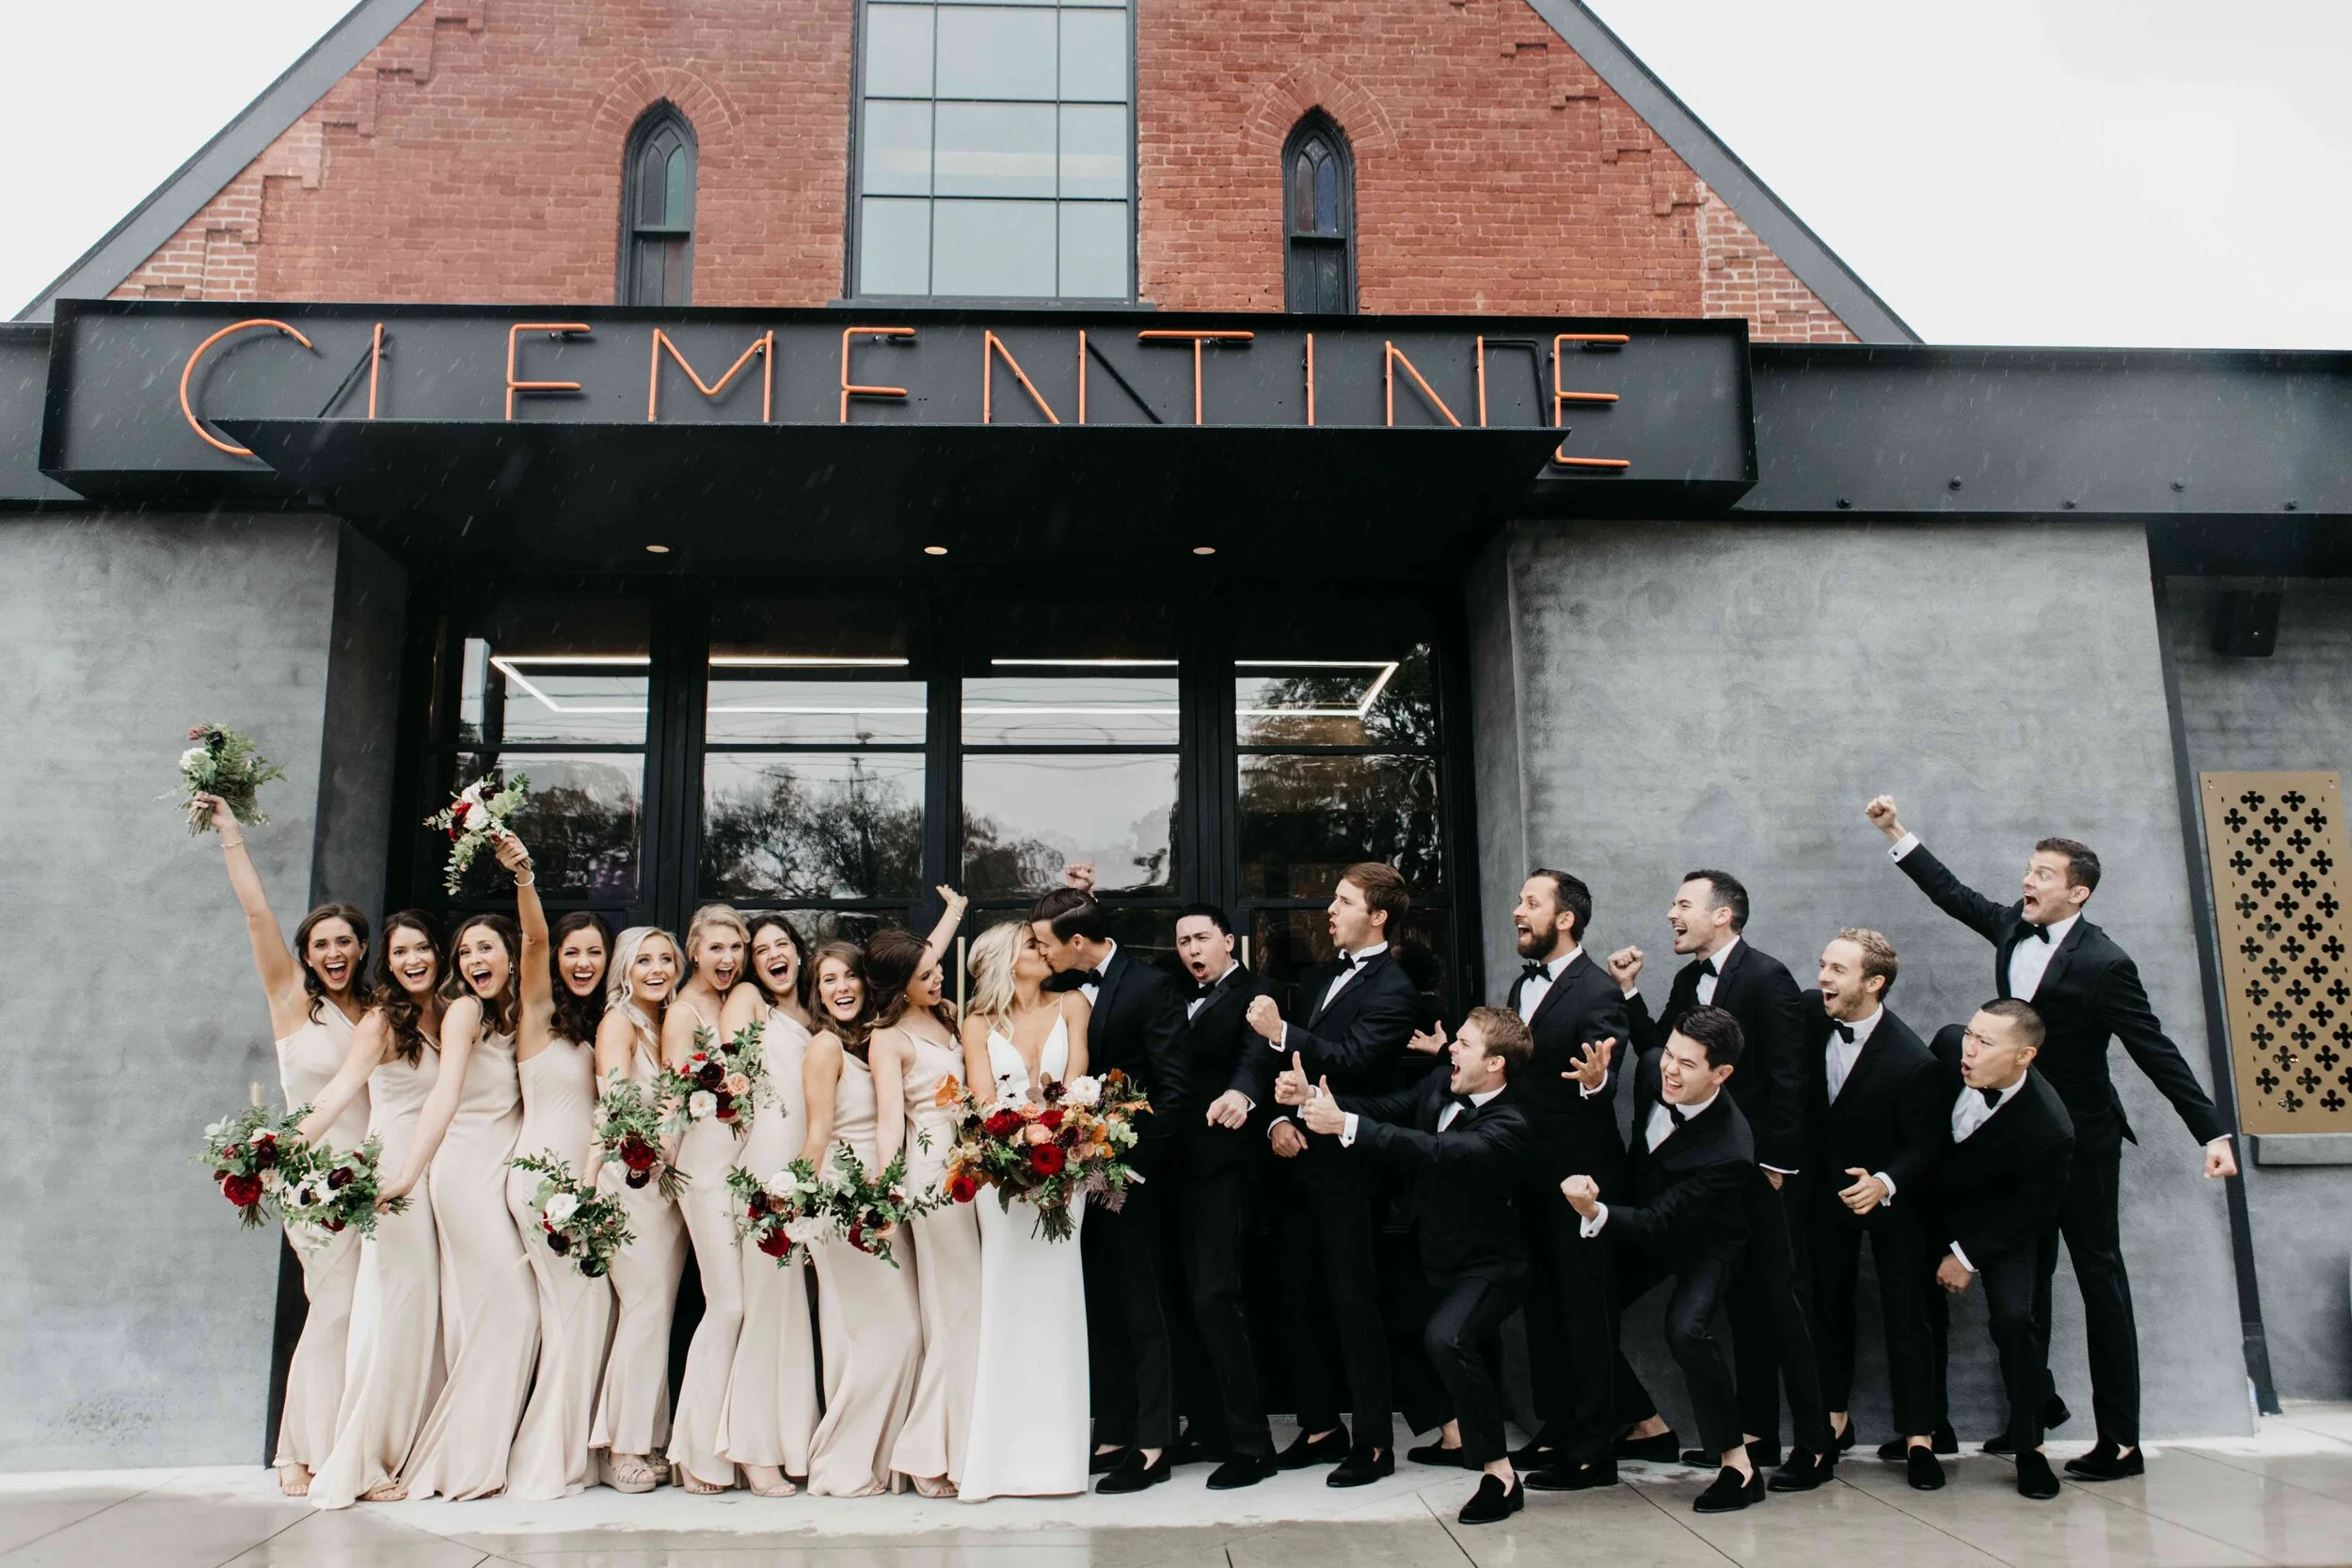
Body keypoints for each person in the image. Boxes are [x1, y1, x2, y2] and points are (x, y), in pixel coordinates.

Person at [1867, 795, 2238, 1478]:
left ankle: (2121, 1441)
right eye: (2028, 869)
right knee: (2024, 1279)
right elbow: (1952, 893)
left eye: (2043, 872)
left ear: (2078, 891)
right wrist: (1896, 831)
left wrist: (2211, 1131)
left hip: (2085, 1143)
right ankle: (2027, 1419)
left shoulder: (2105, 963)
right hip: (2019, 1138)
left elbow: (2153, 1048)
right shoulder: (2013, 927)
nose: (2027, 881)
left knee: (2100, 1278)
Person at [1611, 871, 1830, 1483]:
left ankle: (1814, 1447)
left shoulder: (1768, 977)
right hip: (1701, 1182)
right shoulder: (1687, 979)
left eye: (1683, 903)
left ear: (1723, 914)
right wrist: (1628, 993)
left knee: (1782, 1310)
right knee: (1738, 1311)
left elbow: (1791, 1079)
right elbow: (1661, 1054)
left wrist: (1776, 1168)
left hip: (1761, 1181)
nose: (1671, 913)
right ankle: (1748, 1437)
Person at [1293, 1006, 1544, 1525]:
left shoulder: (1512, 1124)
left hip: (1491, 1266)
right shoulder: (1438, 1084)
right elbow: (1390, 1107)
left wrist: (1347, 1126)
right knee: (1379, 1316)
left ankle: (1500, 1475)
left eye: (1466, 1044)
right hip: (1432, 1253)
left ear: (1495, 1064)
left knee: (1447, 1338)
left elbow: (1434, 1150)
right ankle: (1449, 1432)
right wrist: (1319, 1101)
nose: (1451, 1047)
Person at [192, 791, 375, 1497]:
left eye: (343, 941)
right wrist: (232, 837)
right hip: (314, 1179)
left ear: (361, 948)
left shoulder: (372, 1009)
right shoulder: (294, 1001)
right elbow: (257, 915)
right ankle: (301, 1450)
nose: (332, 951)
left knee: (362, 1311)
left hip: (373, 1179)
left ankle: (319, 1442)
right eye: (320, 942)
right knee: (331, 1306)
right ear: (305, 954)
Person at [1444, 869, 1629, 1490]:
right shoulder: (1517, 989)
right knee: (1544, 1310)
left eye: (1531, 902)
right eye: (1518, 899)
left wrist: (1598, 1078)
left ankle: (1595, 1448)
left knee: (1586, 1314)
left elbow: (1605, 1070)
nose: (1517, 910)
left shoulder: (1597, 990)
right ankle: (1557, 1426)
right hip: (1522, 1179)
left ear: (1566, 918)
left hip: (1578, 1185)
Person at [1237, 863, 1420, 1486]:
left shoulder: (1396, 989)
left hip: (1351, 1171)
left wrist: (1280, 1031)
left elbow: (1356, 1059)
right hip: (1298, 1165)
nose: (1330, 911)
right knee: (1290, 1293)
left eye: (1342, 901)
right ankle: (1319, 1427)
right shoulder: (1321, 978)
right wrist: (1280, 1114)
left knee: (1353, 1301)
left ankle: (1374, 1443)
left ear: (1379, 915)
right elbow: (1305, 1068)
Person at [1561, 1006, 1762, 1514]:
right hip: (1648, 1218)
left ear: (1722, 1074)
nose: (1670, 1069)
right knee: (1584, 1300)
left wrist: (1595, 1210)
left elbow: (1657, 1223)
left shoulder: (1730, 1150)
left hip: (1708, 1240)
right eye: (1671, 1054)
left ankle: (1738, 1465)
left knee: (1686, 1330)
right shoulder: (1655, 1068)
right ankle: (1639, 1428)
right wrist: (1598, 1082)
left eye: (1688, 1064)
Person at [1027, 886, 1191, 1494]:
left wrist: (1131, 1167)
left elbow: (1175, 1088)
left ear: (1076, 941)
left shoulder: (1150, 986)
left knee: (1144, 1306)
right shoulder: (1053, 990)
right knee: (1103, 1304)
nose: (1037, 953)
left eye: (1044, 943)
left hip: (1133, 1176)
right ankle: (1115, 1429)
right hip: (1074, 1181)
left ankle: (1154, 1444)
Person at [304, 913, 445, 1509]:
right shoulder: (381, 1022)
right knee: (388, 1311)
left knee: (425, 1316)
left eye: (421, 949)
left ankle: (409, 1445)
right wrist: (287, 1144)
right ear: (385, 963)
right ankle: (362, 1455)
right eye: (400, 953)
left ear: (439, 952)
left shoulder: (450, 1012)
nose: (412, 960)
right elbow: (339, 1089)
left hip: (442, 1176)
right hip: (394, 1183)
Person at [1798, 929, 1947, 1490]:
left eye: (1837, 970)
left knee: (1907, 1314)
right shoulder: (1813, 1016)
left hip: (1894, 1198)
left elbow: (1926, 1145)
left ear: (1874, 982)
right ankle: (1834, 1422)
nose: (1823, 979)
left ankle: (1919, 1438)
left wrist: (1885, 1182)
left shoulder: (1913, 1059)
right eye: (1823, 964)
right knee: (1827, 1304)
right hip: (1826, 1192)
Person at [401, 911, 539, 1501]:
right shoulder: (465, 1012)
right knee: (512, 1309)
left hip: (498, 1174)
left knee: (493, 1314)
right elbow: (445, 1093)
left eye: (485, 948)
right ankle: (467, 1459)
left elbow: (539, 937)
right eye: (464, 953)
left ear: (510, 955)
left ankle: (484, 1450)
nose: (473, 961)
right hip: (461, 1174)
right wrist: (409, 1173)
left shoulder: (521, 1014)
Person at [957, 918, 1096, 1500]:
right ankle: (1000, 1460)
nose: (1042, 950)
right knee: (1006, 1300)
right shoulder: (977, 1023)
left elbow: (1079, 1079)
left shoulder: (1073, 1003)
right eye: (1031, 945)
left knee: (1059, 1300)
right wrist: (1017, 1143)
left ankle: (1058, 1461)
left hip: (1068, 1165)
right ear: (1003, 960)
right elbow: (983, 1099)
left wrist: (1060, 1140)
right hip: (1001, 1176)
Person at [497, 836, 615, 1501]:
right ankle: (548, 1458)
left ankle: (573, 1449)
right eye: (574, 950)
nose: (582, 960)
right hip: (544, 1182)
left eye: (594, 951)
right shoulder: (538, 1013)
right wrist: (525, 878)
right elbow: (534, 943)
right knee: (577, 1308)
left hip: (584, 1183)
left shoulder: (601, 1023)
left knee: (582, 1310)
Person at [1927, 1001, 2076, 1500]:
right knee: (1915, 1305)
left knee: (2014, 1320)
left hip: (2006, 1225)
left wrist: (1966, 1256)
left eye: (1985, 1043)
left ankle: (2030, 1447)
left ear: (2024, 1056)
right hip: (1937, 1206)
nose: (1968, 1049)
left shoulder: (2050, 1126)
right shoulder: (1948, 1047)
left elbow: (2033, 1210)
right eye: (1970, 1034)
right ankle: (1928, 1431)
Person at [802, 941, 924, 1497]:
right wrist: (793, 1199)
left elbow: (919, 967)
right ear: (817, 991)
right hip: (845, 1199)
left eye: (849, 977)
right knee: (890, 1334)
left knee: (888, 1334)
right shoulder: (826, 1046)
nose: (841, 988)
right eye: (828, 981)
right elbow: (818, 1133)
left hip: (882, 1197)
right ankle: (840, 1463)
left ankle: (876, 1460)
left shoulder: (873, 1038)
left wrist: (948, 918)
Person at [871, 895, 980, 1497]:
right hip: (930, 1175)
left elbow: (928, 953)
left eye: (937, 969)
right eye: (926, 974)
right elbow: (891, 1125)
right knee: (956, 1310)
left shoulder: (944, 1016)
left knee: (959, 1309)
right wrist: (885, 1197)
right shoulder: (889, 1039)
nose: (938, 976)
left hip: (968, 1166)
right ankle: (924, 1453)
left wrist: (954, 916)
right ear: (899, 985)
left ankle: (953, 1444)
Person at [717, 911, 823, 1496]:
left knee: (794, 1310)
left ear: (799, 953)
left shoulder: (815, 1014)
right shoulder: (749, 999)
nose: (773, 955)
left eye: (783, 944)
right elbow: (730, 1080)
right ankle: (754, 1451)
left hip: (809, 1171)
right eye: (761, 950)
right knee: (767, 1309)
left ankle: (793, 1445)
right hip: (764, 1167)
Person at [1184, 904, 1283, 1490]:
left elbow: (1257, 1057)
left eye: (1201, 938)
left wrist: (1242, 1097)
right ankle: (1210, 1426)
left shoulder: (1258, 992)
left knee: (1219, 1299)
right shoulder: (1179, 993)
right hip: (1182, 1172)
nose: (1192, 949)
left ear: (1229, 941)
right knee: (1192, 1300)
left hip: (1228, 1169)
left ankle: (1253, 1444)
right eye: (1183, 941)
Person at [588, 926, 688, 1493]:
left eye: (665, 959)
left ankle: (647, 1437)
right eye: (643, 960)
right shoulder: (618, 1024)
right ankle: (620, 1446)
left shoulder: (660, 1028)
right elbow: (618, 1102)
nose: (657, 969)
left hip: (664, 1188)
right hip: (629, 1182)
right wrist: (651, 1149)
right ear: (624, 969)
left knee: (656, 1313)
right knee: (644, 1310)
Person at [662, 903, 755, 1494]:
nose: (727, 959)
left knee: (746, 1308)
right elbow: (676, 1097)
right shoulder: (683, 1012)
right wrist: (664, 1171)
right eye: (716, 948)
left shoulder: (740, 1003)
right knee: (727, 1305)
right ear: (694, 951)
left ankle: (733, 1439)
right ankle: (694, 1450)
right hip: (704, 1168)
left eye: (735, 949)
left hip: (743, 1167)